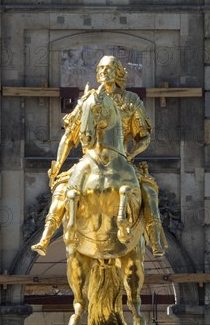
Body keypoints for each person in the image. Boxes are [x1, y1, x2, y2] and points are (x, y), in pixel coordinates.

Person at [31, 55, 167, 257]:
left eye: (109, 68)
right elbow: (69, 136)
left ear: (118, 72)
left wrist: (130, 154)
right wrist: (57, 167)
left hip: (122, 159)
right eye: (101, 68)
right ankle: (46, 237)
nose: (104, 71)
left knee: (149, 191)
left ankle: (155, 239)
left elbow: (144, 137)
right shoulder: (87, 99)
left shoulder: (131, 101)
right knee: (61, 188)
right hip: (89, 159)